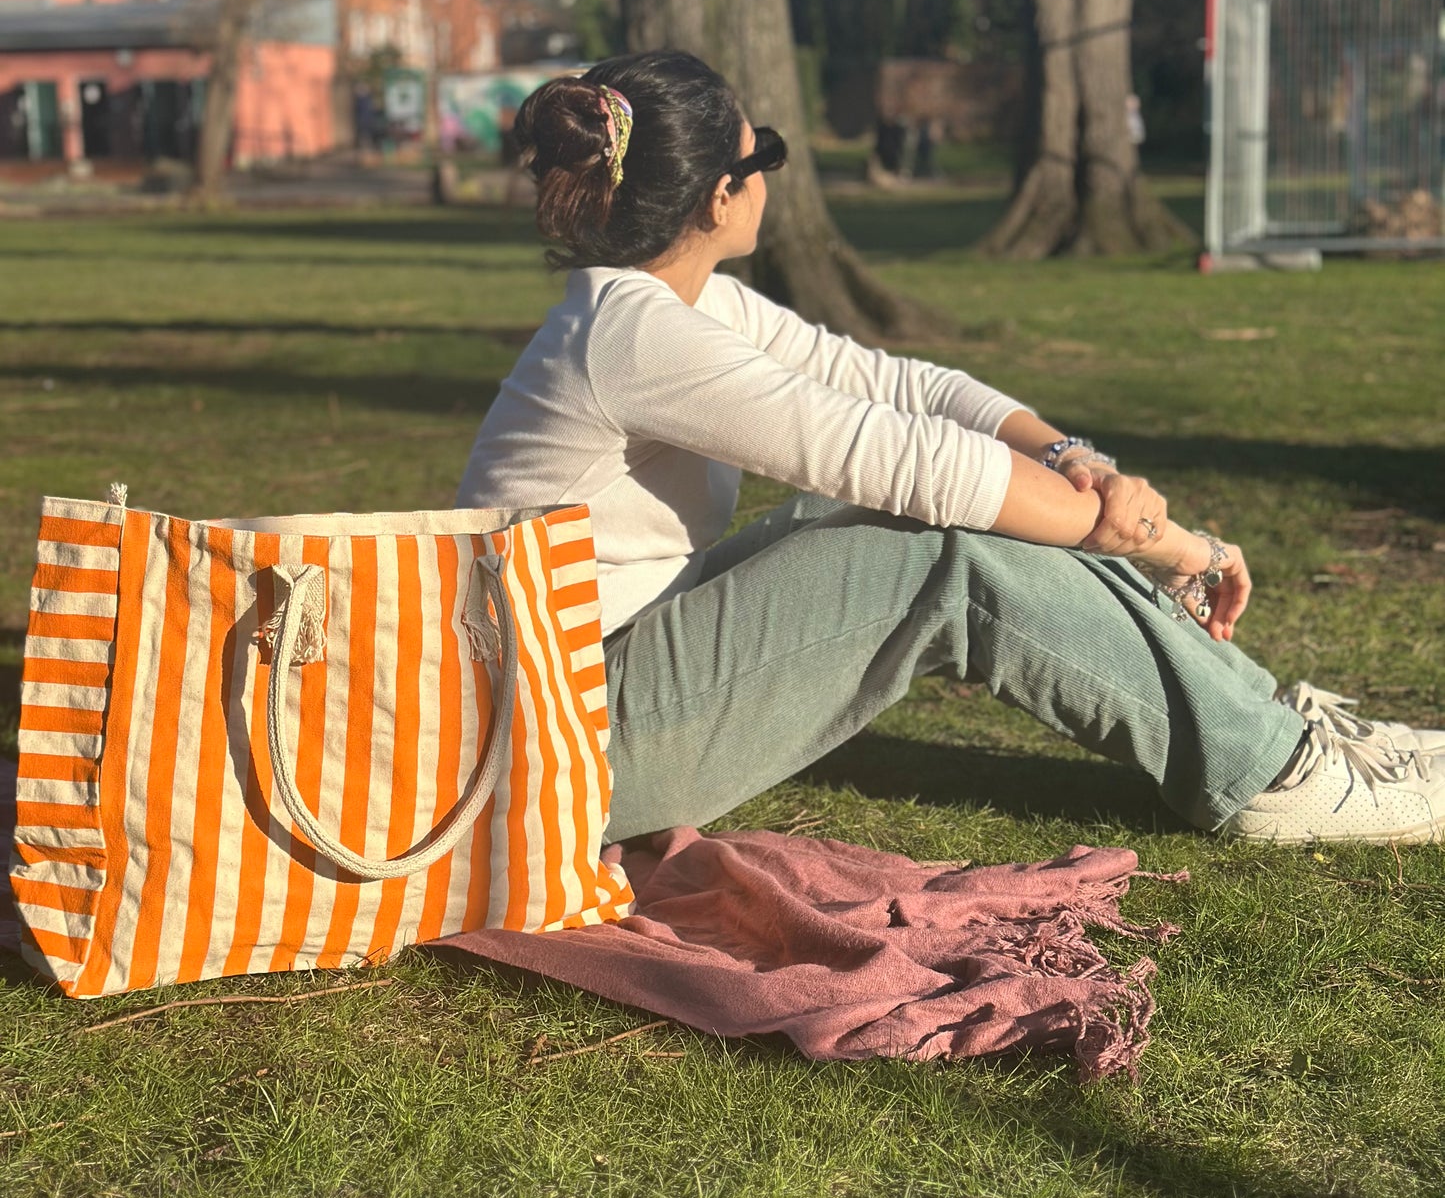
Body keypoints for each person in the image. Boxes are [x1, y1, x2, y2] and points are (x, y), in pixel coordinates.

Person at [457, 50, 1444, 848]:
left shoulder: (677, 302)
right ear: (719, 198)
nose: (766, 181)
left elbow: (902, 388)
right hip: (563, 753)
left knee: (862, 520)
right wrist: (1164, 541)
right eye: (763, 162)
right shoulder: (639, 335)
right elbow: (918, 465)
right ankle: (1272, 775)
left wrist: (1070, 455)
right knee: (944, 550)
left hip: (585, 695)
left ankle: (1282, 729)